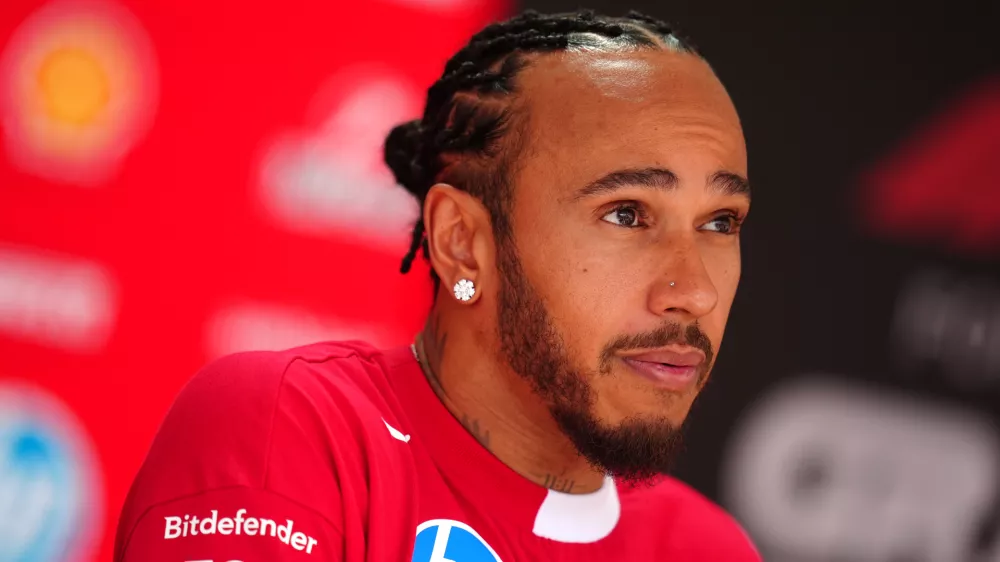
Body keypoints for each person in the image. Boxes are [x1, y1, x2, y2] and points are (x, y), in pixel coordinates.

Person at [115, 9, 759, 561]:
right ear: (462, 242)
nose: (694, 291)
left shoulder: (707, 548)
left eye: (720, 222)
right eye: (626, 214)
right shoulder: (293, 429)